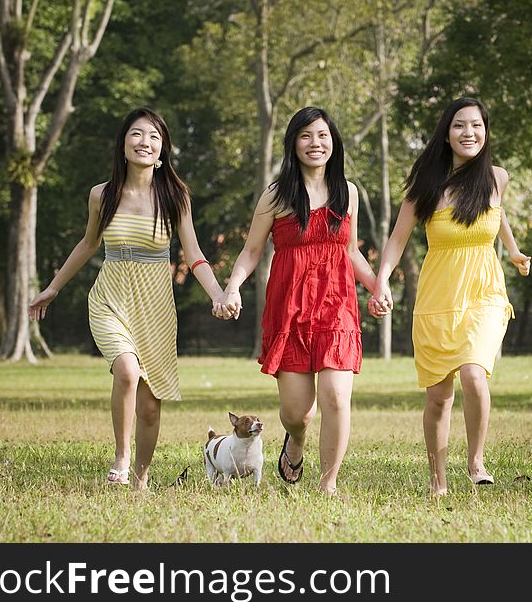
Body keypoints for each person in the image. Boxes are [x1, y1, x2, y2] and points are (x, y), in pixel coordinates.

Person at [28, 107, 227, 491]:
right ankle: (121, 457)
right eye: (136, 134)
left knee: (150, 406)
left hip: (154, 306)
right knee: (127, 371)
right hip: (110, 297)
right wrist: (53, 287)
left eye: (154, 137)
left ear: (163, 148)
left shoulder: (175, 195)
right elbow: (89, 244)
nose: (145, 143)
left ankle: (140, 478)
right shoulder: (101, 195)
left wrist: (218, 293)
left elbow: (194, 254)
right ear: (123, 144)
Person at [215, 106, 386, 495]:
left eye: (323, 135)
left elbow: (352, 252)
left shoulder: (348, 193)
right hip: (289, 308)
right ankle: (296, 440)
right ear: (293, 143)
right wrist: (233, 286)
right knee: (297, 413)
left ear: (333, 143)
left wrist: (379, 287)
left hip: (337, 305)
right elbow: (251, 250)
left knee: (336, 397)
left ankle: (328, 482)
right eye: (306, 136)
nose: (315, 143)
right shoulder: (276, 196)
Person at [374, 97, 531, 496]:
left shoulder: (497, 177)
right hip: (438, 296)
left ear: (486, 131)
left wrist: (511, 251)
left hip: (485, 292)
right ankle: (437, 481)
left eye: (476, 125)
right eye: (460, 125)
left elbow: (498, 214)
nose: (469, 133)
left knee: (474, 372)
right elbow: (396, 239)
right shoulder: (426, 185)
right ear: (446, 134)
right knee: (439, 397)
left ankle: (476, 460)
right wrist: (381, 282)